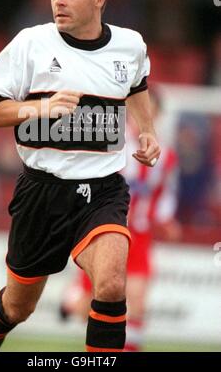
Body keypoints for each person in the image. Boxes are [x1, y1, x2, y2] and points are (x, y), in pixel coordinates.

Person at [0, 0, 160, 353]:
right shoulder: (30, 44)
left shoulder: (130, 45)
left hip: (102, 188)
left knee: (110, 284)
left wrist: (148, 131)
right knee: (18, 306)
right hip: (42, 191)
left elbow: (137, 85)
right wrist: (40, 107)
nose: (59, 0)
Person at [59, 88, 181, 352]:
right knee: (90, 306)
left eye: (150, 113)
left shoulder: (166, 156)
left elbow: (165, 194)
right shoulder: (111, 142)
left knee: (136, 303)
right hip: (107, 229)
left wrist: (166, 218)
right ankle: (72, 299)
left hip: (141, 235)